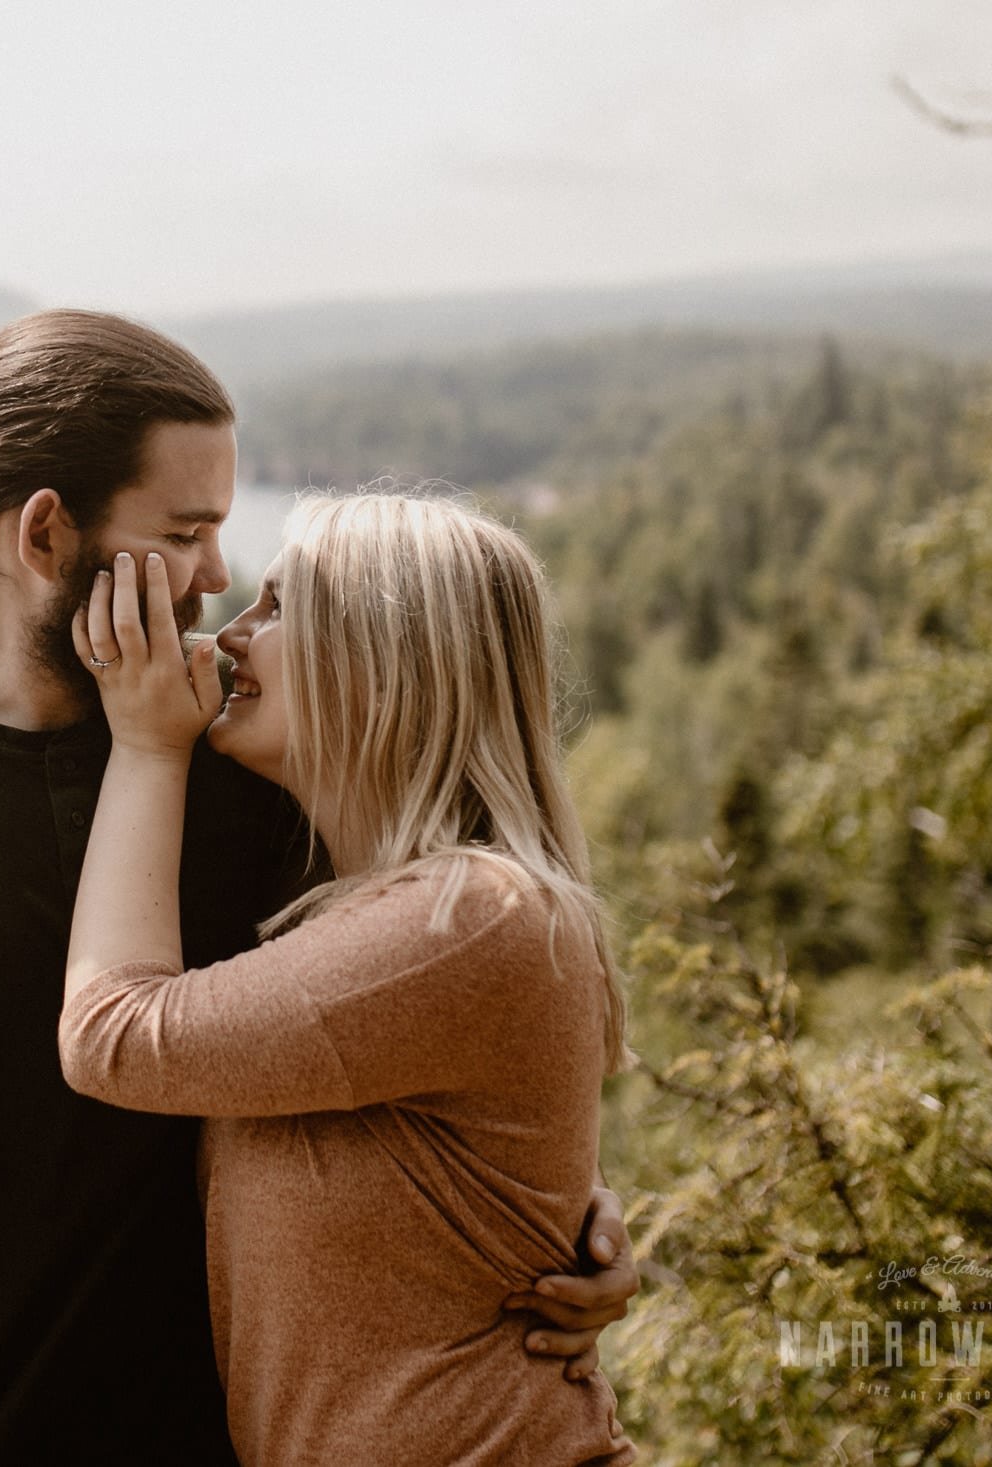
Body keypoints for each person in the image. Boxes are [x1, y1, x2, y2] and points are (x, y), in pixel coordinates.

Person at [0, 310, 637, 1466]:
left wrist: (557, 1206)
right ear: (49, 537)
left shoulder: (247, 766)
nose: (221, 575)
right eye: (188, 529)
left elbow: (426, 1003)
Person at [56, 494, 638, 1464]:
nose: (232, 631)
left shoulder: (470, 919)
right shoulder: (388, 915)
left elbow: (111, 1034)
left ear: (381, 658)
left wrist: (147, 745)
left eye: (279, 607)